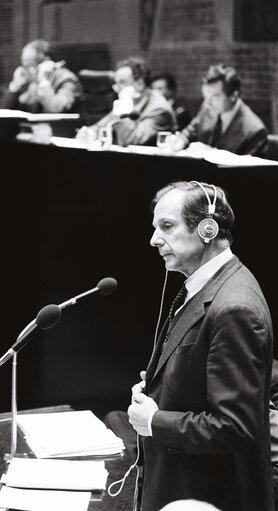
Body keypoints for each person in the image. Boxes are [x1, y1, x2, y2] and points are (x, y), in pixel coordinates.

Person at [116, 180, 273, 511]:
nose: (154, 239)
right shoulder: (205, 284)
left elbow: (235, 426)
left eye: (167, 227)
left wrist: (154, 421)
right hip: (182, 484)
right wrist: (164, 384)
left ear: (207, 228)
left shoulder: (235, 307)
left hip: (210, 497)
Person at [167, 64, 268, 156]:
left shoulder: (255, 130)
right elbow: (191, 130)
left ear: (234, 95)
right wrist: (180, 140)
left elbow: (248, 172)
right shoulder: (208, 106)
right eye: (206, 97)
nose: (207, 103)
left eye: (215, 97)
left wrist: (211, 153)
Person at [76, 56, 176, 147]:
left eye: (122, 83)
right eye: (116, 83)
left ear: (140, 84)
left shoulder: (160, 110)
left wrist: (125, 105)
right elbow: (100, 126)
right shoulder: (131, 102)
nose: (116, 89)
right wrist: (91, 133)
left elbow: (130, 141)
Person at [3, 39, 82, 113]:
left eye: (29, 65)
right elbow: (11, 111)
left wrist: (44, 81)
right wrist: (15, 86)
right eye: (24, 67)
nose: (25, 72)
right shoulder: (34, 84)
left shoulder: (67, 80)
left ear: (46, 63)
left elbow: (58, 109)